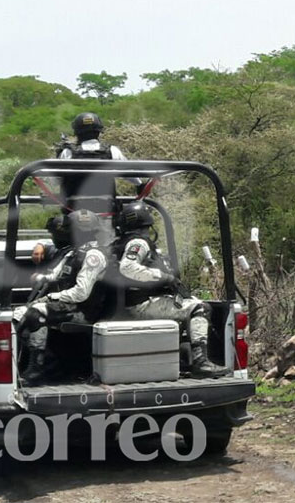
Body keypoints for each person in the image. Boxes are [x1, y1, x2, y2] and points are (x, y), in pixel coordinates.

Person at [111, 201, 227, 378]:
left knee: (187, 304)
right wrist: (164, 277)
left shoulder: (118, 244)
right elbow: (128, 268)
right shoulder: (138, 243)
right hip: (141, 304)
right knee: (200, 308)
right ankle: (200, 362)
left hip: (127, 305)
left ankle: (179, 358)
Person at [17, 209, 112, 385]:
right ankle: (24, 365)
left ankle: (38, 369)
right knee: (19, 313)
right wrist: (40, 278)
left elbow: (81, 292)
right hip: (70, 307)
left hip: (84, 312)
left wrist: (52, 297)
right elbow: (56, 275)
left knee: (36, 313)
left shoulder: (93, 255)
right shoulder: (73, 253)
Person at [56, 112, 135, 214]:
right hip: (106, 210)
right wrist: (140, 185)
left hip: (74, 210)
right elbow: (131, 174)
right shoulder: (112, 151)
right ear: (99, 131)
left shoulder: (68, 152)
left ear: (77, 132)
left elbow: (58, 178)